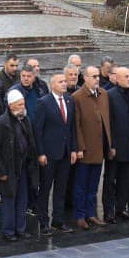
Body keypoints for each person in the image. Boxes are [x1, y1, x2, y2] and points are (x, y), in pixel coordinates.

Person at [31, 73, 78, 235]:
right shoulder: (43, 103)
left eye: (65, 81)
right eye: (61, 82)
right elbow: (38, 130)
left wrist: (73, 149)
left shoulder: (70, 101)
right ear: (52, 85)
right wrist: (41, 153)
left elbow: (72, 128)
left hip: (65, 153)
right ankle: (43, 222)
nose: (65, 84)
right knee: (45, 189)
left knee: (61, 189)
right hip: (49, 154)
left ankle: (58, 220)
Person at [0, 89, 38, 240]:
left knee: (22, 199)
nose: (23, 106)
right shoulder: (1, 123)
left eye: (23, 103)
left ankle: (21, 228)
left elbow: (30, 142)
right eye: (19, 104)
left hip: (23, 166)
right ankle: (8, 231)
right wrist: (2, 172)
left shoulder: (25, 119)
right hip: (9, 168)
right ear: (11, 106)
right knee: (9, 200)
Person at [70, 65, 112, 229]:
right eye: (93, 76)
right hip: (86, 149)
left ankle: (91, 213)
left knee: (93, 185)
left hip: (99, 147)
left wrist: (109, 144)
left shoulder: (103, 94)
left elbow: (106, 121)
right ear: (85, 78)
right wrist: (80, 147)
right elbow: (77, 125)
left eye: (98, 76)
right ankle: (80, 215)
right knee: (81, 184)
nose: (97, 79)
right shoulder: (77, 97)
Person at [104, 66, 129, 222]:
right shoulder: (110, 95)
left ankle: (121, 208)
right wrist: (111, 145)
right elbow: (108, 122)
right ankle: (108, 211)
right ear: (117, 79)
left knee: (126, 179)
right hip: (116, 146)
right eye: (126, 76)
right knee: (110, 179)